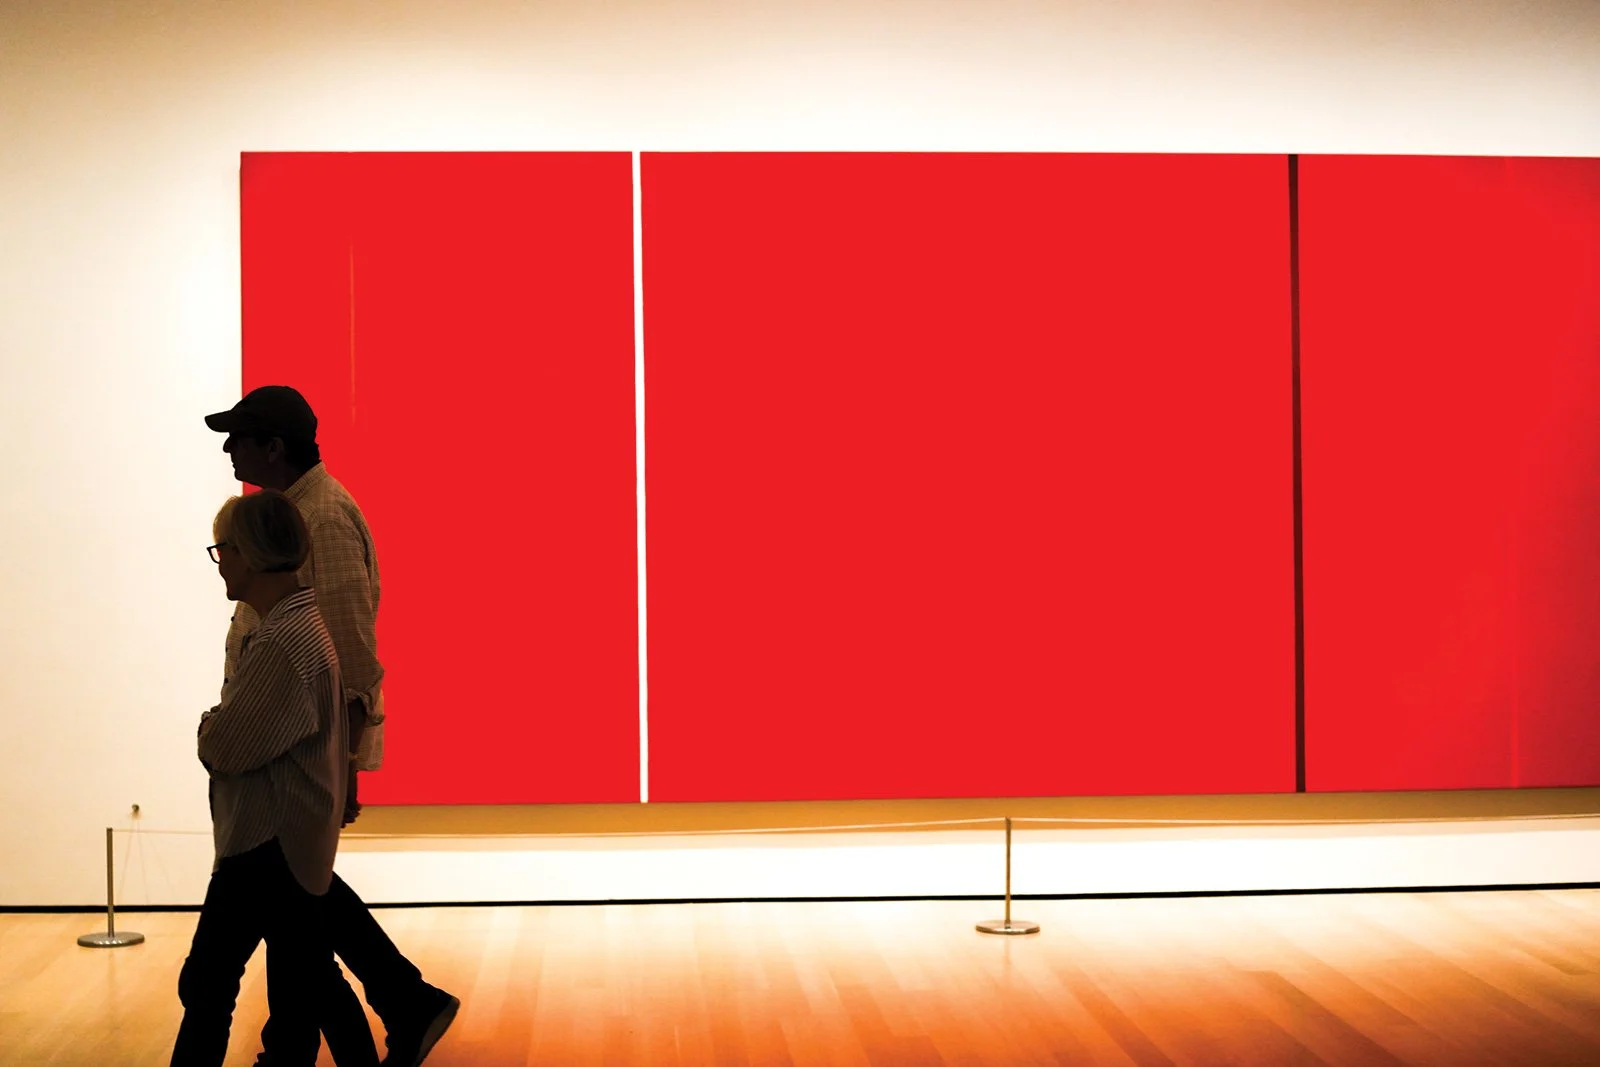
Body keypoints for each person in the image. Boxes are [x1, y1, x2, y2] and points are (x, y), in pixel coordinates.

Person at [205, 385, 458, 1067]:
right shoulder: (292, 513)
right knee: (297, 908)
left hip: (299, 762)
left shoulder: (323, 518)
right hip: (288, 754)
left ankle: (391, 1005)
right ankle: (396, 1004)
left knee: (288, 904)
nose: (228, 450)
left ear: (274, 447)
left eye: (239, 438)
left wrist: (341, 773)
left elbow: (349, 658)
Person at [173, 491, 378, 1067]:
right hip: (286, 840)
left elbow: (226, 747)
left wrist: (209, 724)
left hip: (267, 843)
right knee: (304, 986)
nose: (220, 564)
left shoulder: (283, 644)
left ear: (251, 553)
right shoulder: (295, 628)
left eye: (223, 550)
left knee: (211, 985)